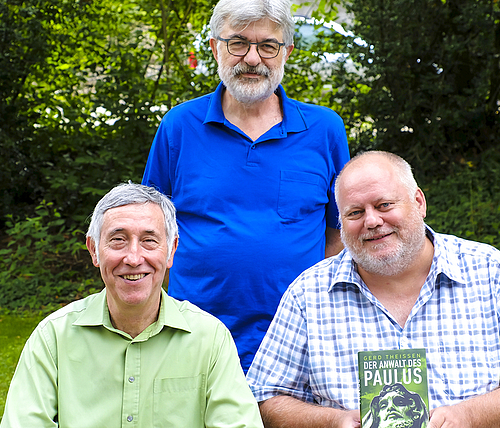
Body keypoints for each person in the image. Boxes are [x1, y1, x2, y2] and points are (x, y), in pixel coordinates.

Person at [246, 151, 500, 428]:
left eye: (384, 205)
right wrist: (334, 421)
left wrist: (468, 416)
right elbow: (264, 397)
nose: (372, 221)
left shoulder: (491, 272)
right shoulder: (308, 293)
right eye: (355, 213)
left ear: (418, 202)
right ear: (341, 222)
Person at [142, 0, 350, 372]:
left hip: (300, 338)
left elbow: (339, 231)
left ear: (286, 51)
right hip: (196, 335)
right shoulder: (179, 126)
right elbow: (151, 227)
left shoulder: (325, 130)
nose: (252, 58)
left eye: (267, 46)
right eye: (238, 43)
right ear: (214, 47)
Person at [0, 183, 263, 428]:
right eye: (118, 239)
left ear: (171, 250)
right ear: (94, 250)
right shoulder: (53, 338)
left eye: (149, 240)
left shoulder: (210, 339)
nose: (134, 258)